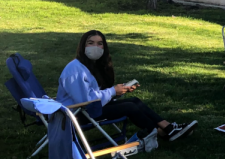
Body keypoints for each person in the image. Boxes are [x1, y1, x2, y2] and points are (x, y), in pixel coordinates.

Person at [57, 30, 196, 150]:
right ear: (82, 46)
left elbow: (94, 95)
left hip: (89, 109)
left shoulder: (89, 66)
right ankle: (160, 131)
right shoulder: (74, 69)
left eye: (100, 43)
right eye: (91, 43)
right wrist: (112, 91)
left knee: (135, 101)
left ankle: (167, 128)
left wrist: (120, 90)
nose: (96, 47)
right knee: (130, 107)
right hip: (76, 114)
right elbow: (85, 100)